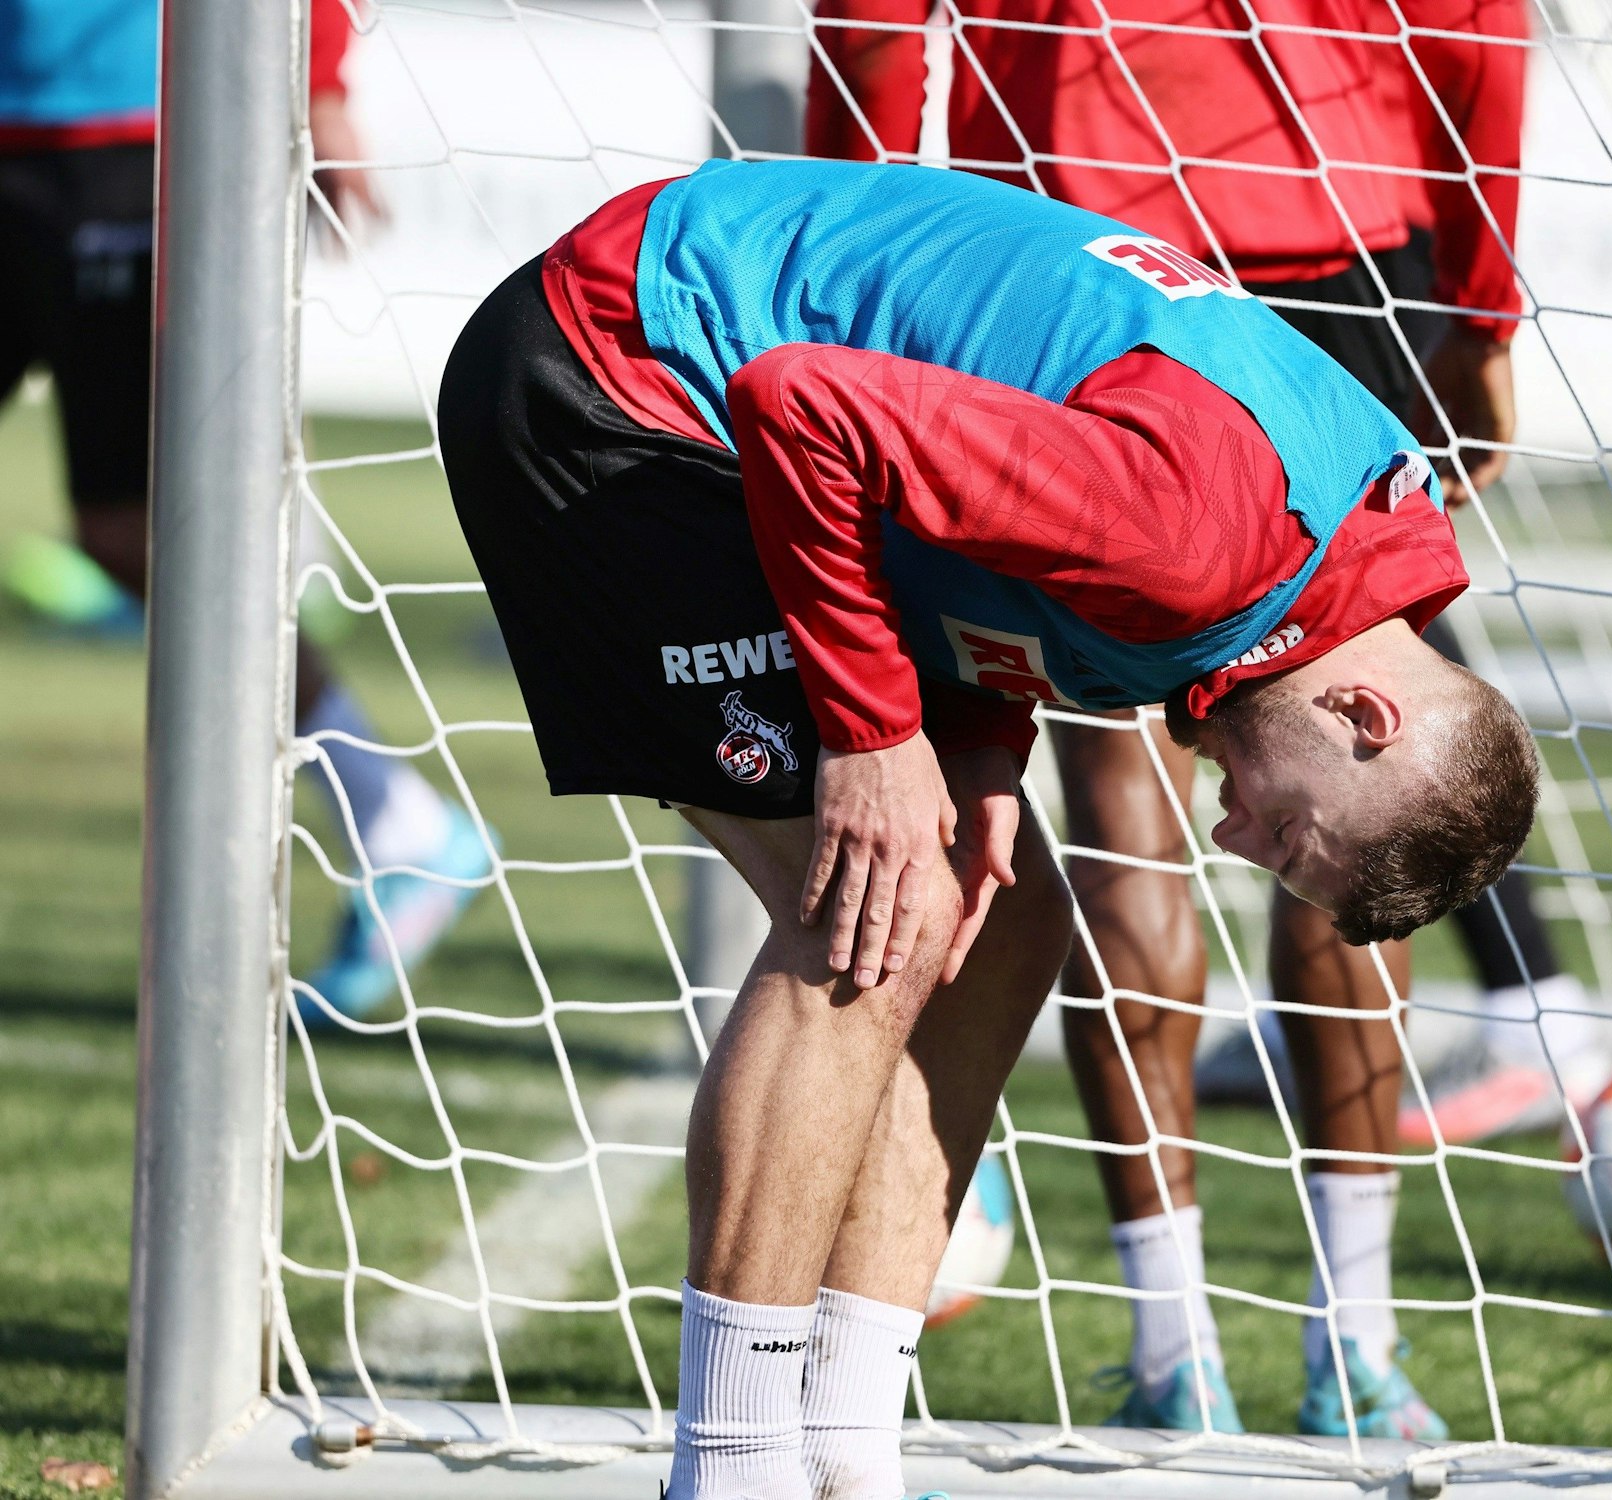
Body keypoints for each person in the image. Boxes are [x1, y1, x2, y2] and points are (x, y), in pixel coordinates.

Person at [435, 158, 1540, 1497]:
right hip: (617, 372)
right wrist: (873, 736)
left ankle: (847, 1456)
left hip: (732, 405)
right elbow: (810, 412)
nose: (1240, 837)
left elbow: (999, 519)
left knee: (1006, 922)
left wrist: (976, 747)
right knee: (877, 915)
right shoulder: (1207, 543)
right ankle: (728, 1470)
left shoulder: (1349, 552)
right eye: (1292, 838)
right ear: (1364, 714)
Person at [805, 0, 1612, 1437]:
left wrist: (859, 196)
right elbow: (1473, 28)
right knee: (1346, 796)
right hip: (1340, 224)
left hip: (1069, 238)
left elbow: (868, 17)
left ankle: (1177, 1354)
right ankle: (1353, 1349)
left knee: (1129, 819)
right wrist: (1484, 300)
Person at [0, 0, 487, 1024]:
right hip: (27, 129)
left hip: (142, 128)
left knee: (143, 536)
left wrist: (320, 78)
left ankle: (391, 818)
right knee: (133, 537)